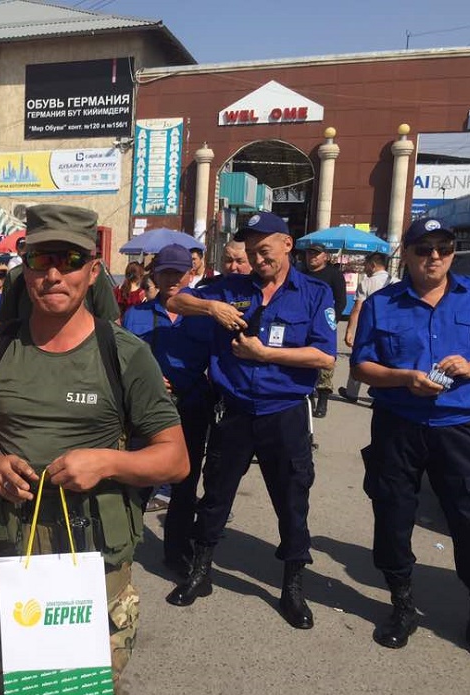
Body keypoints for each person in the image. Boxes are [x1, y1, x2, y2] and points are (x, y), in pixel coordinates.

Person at [0, 204, 188, 695]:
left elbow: (175, 459)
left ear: (93, 270)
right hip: (12, 556)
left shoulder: (123, 354)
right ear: (26, 267)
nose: (54, 274)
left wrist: (107, 462)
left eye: (70, 259)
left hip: (93, 562)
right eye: (42, 259)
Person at [165, 211, 337, 630]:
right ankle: (200, 571)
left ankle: (292, 586)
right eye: (252, 251)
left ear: (287, 245)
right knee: (215, 496)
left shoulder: (313, 293)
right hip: (236, 410)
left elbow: (325, 356)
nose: (258, 259)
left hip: (284, 412)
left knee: (291, 501)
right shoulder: (231, 287)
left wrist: (266, 354)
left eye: (265, 250)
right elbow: (174, 301)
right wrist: (211, 307)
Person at [349, 217, 470, 656]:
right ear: (405, 254)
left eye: (444, 248)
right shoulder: (382, 304)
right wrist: (405, 378)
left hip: (460, 428)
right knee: (393, 514)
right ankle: (402, 603)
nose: (435, 257)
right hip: (398, 425)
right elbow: (361, 366)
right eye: (424, 249)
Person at [123, 245, 216, 573]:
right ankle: (123, 545)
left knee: (185, 484)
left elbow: (217, 361)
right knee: (138, 479)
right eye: (166, 272)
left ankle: (176, 552)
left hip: (192, 406)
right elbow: (122, 361)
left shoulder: (205, 315)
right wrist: (147, 378)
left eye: (179, 272)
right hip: (147, 409)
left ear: (191, 274)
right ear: (155, 274)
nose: (173, 279)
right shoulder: (136, 314)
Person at [339, 252, 392, 403]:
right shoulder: (396, 282)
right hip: (391, 330)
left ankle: (352, 392)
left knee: (360, 360)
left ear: (373, 265)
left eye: (365, 265)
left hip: (369, 329)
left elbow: (357, 308)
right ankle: (379, 396)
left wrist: (350, 331)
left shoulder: (367, 283)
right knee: (386, 363)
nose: (364, 268)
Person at [302, 243, 347, 418]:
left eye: (316, 254)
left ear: (325, 257)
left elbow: (341, 301)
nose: (312, 257)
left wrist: (331, 322)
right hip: (302, 324)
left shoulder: (334, 275)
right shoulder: (300, 274)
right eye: (309, 253)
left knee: (324, 366)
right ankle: (306, 396)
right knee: (303, 362)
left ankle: (322, 400)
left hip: (324, 325)